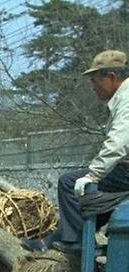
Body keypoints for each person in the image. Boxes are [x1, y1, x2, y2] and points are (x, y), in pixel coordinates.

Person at [46, 50, 129, 253]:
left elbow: (120, 140)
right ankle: (64, 236)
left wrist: (94, 173)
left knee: (69, 183)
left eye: (94, 81)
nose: (93, 87)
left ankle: (78, 242)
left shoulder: (127, 99)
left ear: (111, 77)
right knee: (86, 194)